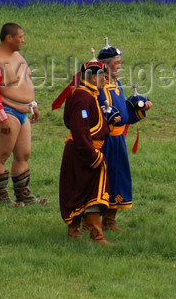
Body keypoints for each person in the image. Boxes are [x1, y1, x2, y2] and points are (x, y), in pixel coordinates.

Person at [0, 23, 46, 206]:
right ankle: (1, 198)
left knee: (23, 154)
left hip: (22, 112)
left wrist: (33, 105)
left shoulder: (18, 57)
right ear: (9, 38)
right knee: (1, 155)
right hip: (6, 111)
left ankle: (23, 194)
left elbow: (25, 83)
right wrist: (2, 118)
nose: (23, 40)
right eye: (20, 37)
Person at [96, 40, 153, 232]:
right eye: (115, 64)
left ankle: (110, 220)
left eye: (120, 63)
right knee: (101, 179)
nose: (119, 67)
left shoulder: (116, 83)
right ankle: (92, 221)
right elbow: (97, 111)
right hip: (102, 142)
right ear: (104, 65)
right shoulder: (95, 85)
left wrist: (138, 107)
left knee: (118, 178)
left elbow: (123, 115)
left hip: (118, 141)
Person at [58, 61, 112, 245]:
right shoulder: (82, 97)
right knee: (89, 193)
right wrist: (92, 154)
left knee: (81, 192)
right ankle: (96, 236)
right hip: (84, 152)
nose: (105, 80)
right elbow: (80, 129)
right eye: (102, 77)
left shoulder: (89, 94)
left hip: (85, 150)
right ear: (93, 77)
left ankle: (76, 234)